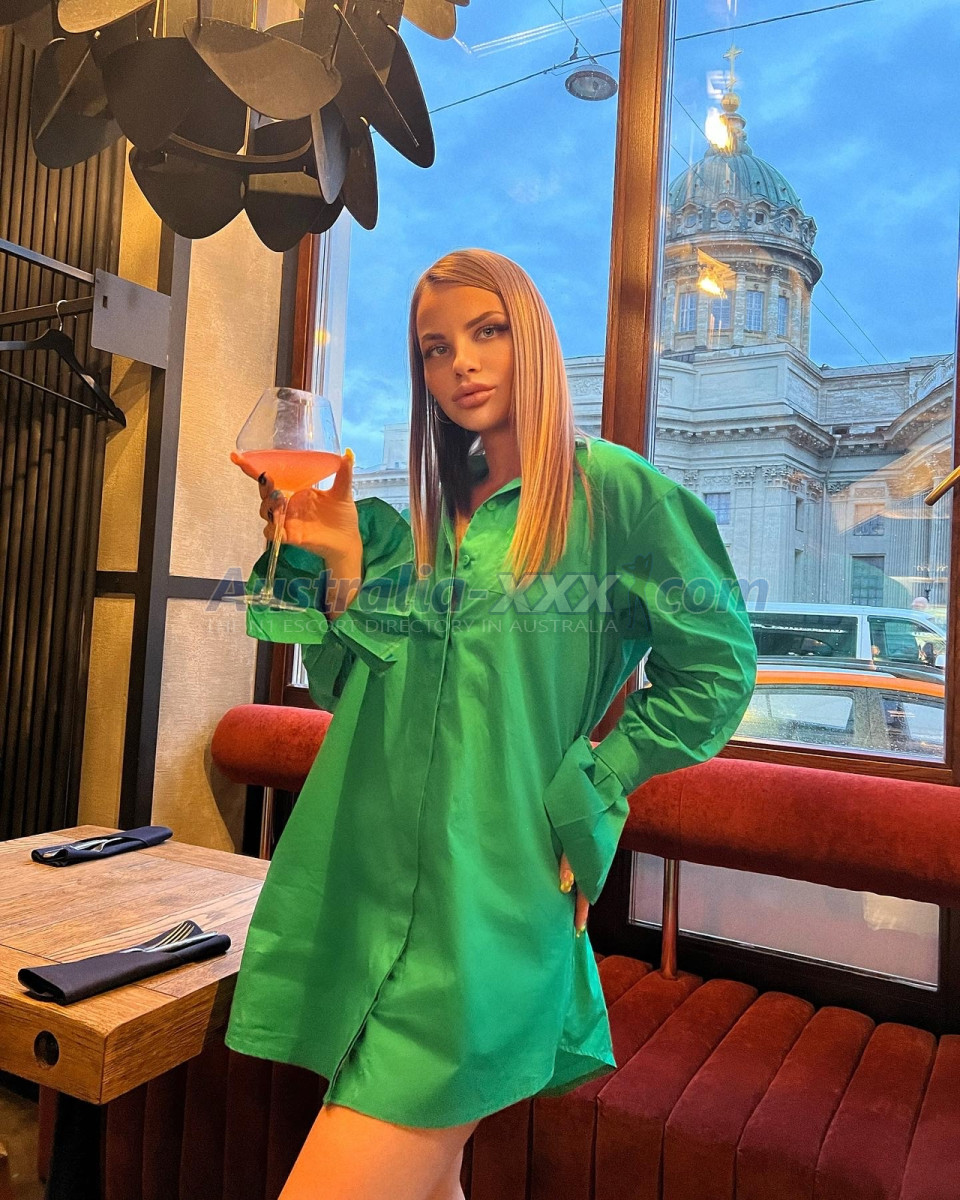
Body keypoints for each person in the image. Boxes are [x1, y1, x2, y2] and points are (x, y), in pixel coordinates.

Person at [225, 248, 757, 1200]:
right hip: (373, 888)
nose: (460, 364)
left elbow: (717, 668)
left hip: (492, 907)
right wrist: (340, 572)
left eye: (487, 332)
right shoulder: (421, 524)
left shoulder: (617, 497)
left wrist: (597, 782)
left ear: (534, 340)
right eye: (435, 348)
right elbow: (355, 694)